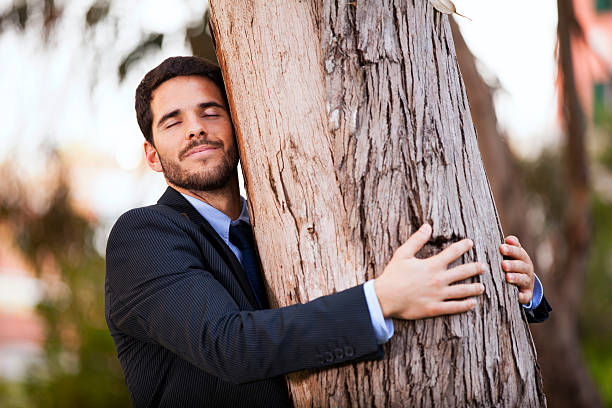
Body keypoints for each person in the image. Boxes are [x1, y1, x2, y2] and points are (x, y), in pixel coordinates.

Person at [105, 56, 550, 407]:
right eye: (173, 121)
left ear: (237, 127)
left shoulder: (282, 225)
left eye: (210, 112)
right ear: (152, 156)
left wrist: (517, 289)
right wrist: (383, 299)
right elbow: (231, 345)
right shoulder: (143, 237)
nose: (196, 128)